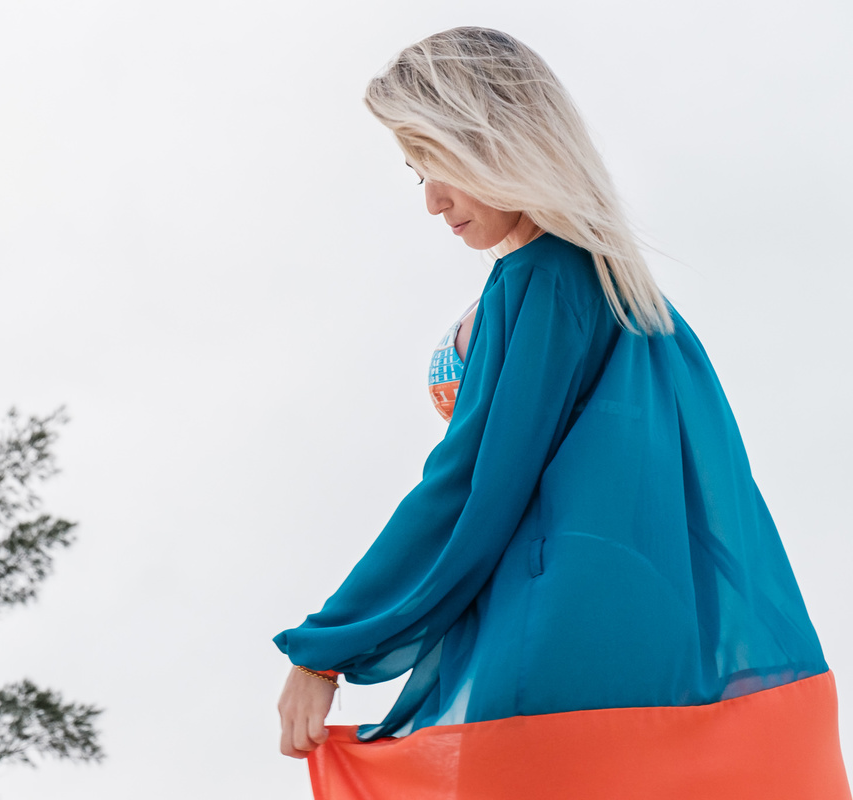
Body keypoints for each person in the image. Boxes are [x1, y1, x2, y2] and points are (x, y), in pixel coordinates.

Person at [273, 26, 851, 799]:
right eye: (416, 174)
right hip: (658, 636)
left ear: (498, 141)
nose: (433, 200)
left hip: (558, 643)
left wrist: (326, 648)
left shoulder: (541, 279)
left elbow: (469, 487)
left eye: (438, 163)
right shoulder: (629, 295)